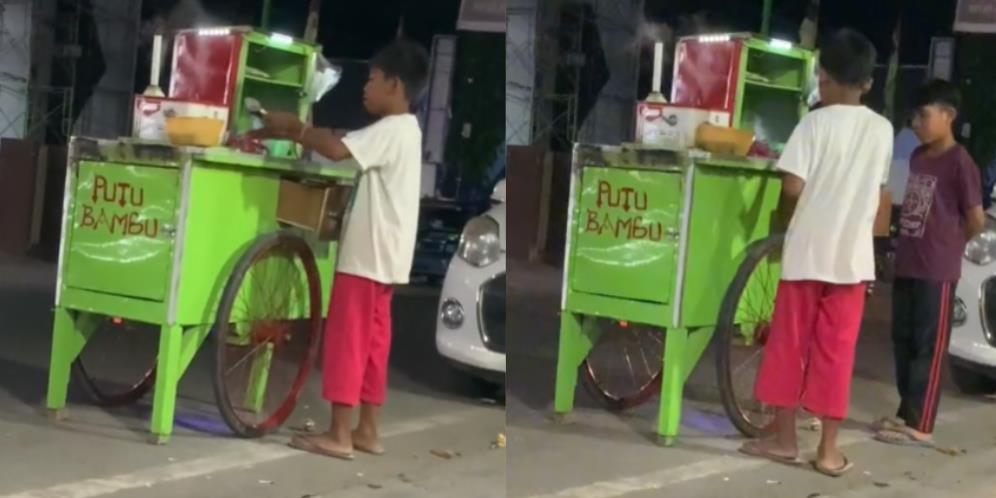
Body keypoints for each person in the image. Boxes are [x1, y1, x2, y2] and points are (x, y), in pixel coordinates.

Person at [250, 39, 429, 460]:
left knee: (348, 342)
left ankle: (339, 435)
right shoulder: (407, 130)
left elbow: (333, 150)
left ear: (394, 84)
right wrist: (296, 127)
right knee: (373, 345)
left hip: (366, 258)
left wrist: (295, 127)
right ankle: (367, 430)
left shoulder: (390, 129)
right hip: (389, 259)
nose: (364, 88)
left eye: (371, 80)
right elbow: (345, 138)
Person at [738, 28, 894, 477]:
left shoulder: (812, 124)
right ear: (866, 81)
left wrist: (788, 213)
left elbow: (792, 186)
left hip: (806, 254)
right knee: (836, 353)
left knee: (788, 345)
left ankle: (785, 440)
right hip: (851, 261)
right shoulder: (881, 130)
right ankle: (827, 451)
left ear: (824, 77)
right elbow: (878, 191)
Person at [873, 80, 985, 447]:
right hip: (908, 263)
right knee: (903, 340)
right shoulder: (920, 158)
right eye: (914, 117)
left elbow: (976, 219)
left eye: (924, 115)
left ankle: (922, 423)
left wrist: (949, 245)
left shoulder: (961, 163)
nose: (917, 123)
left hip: (937, 270)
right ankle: (907, 412)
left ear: (948, 116)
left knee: (929, 347)